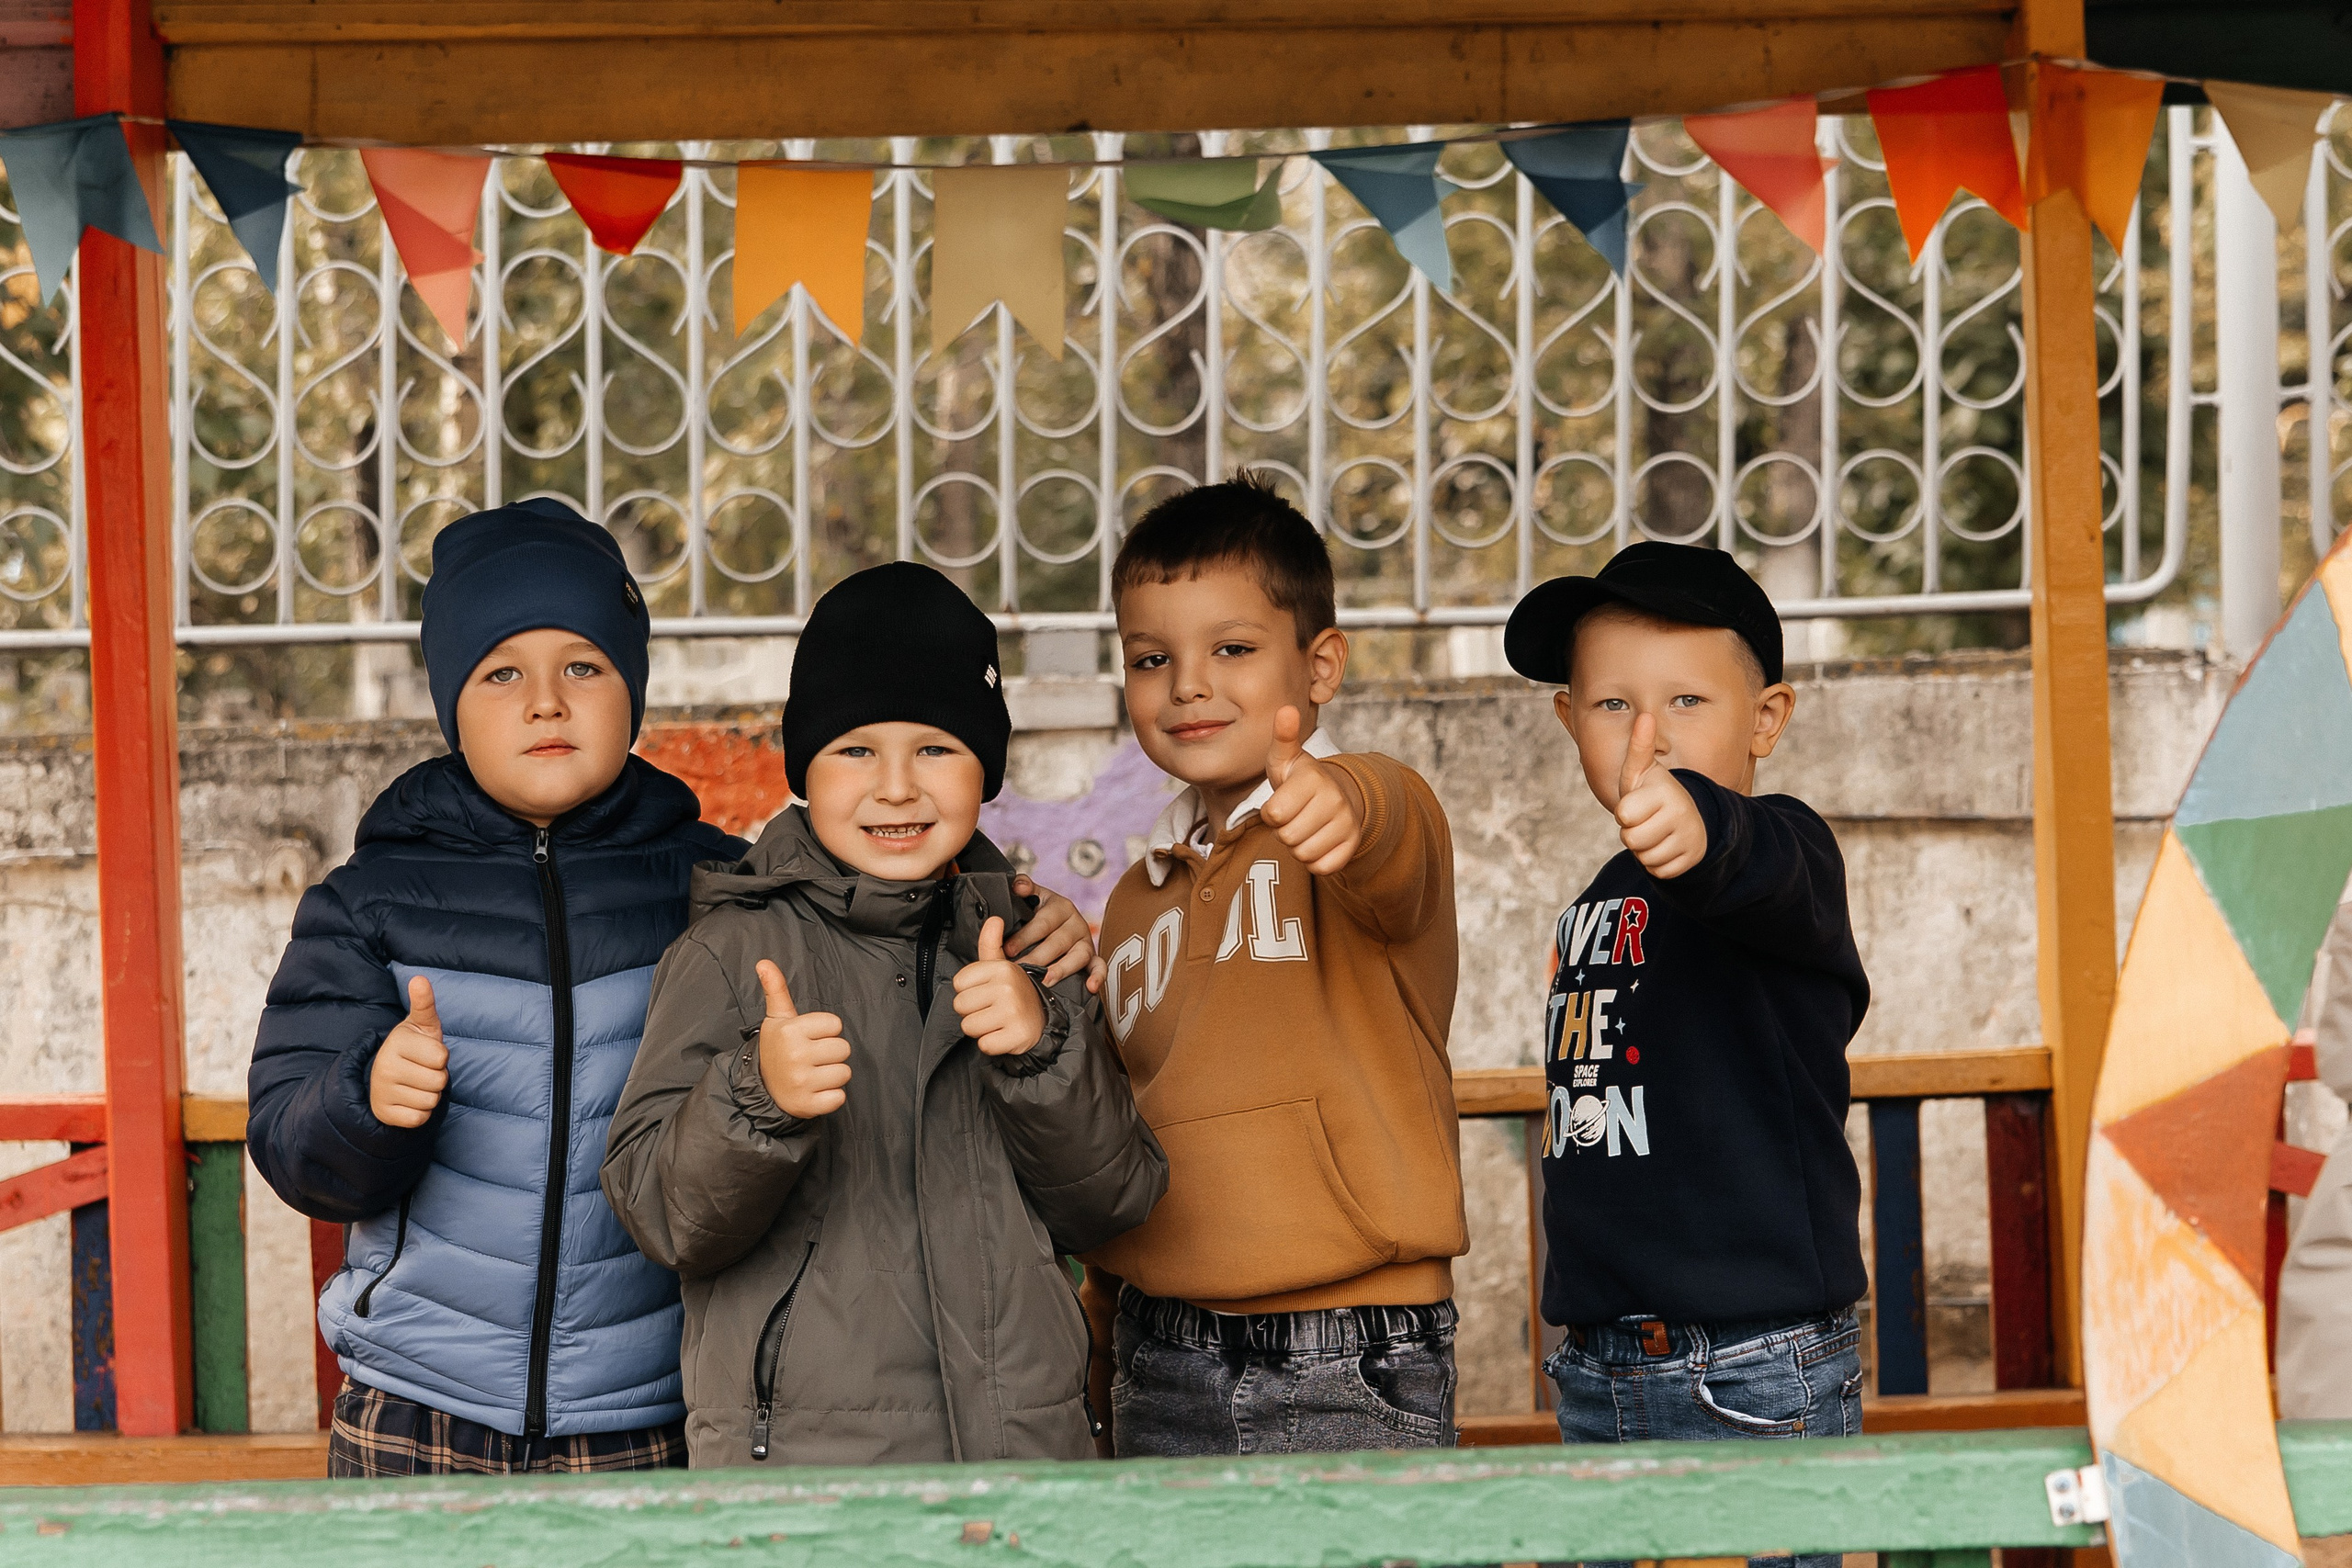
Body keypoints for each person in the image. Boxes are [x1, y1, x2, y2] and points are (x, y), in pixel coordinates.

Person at [248, 506, 1095, 1477]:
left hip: (651, 1410)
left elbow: (891, 907)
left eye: (583, 666)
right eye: (501, 673)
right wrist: (366, 1101)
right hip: (423, 1401)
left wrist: (1036, 920)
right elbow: (293, 1146)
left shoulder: (721, 892)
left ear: (633, 688)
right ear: (450, 699)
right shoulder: (374, 900)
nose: (545, 703)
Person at [601, 561, 1166, 1468]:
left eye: (936, 748)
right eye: (855, 749)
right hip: (803, 1481)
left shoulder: (1030, 944)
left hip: (1020, 1464)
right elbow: (661, 1214)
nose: (897, 788)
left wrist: (1040, 1054)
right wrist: (756, 1097)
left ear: (986, 767)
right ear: (803, 772)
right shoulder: (730, 951)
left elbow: (1111, 1203)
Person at [1079, 472, 1466, 1458]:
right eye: (1150, 657)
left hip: (1351, 1349)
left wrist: (1343, 802)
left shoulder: (1364, 811)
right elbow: (1130, 1127)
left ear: (1320, 665)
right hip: (1159, 1348)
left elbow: (1382, 825)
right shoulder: (1131, 902)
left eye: (1234, 650)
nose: (1188, 684)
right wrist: (1099, 1322)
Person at [1503, 541, 1869, 1568]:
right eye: (1613, 705)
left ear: (1766, 719)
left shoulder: (1782, 850)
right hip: (1600, 1362)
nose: (1648, 735)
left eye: (1687, 704)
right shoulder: (1597, 901)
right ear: (1568, 718)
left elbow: (1757, 863)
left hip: (1755, 1360)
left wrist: (1705, 825)